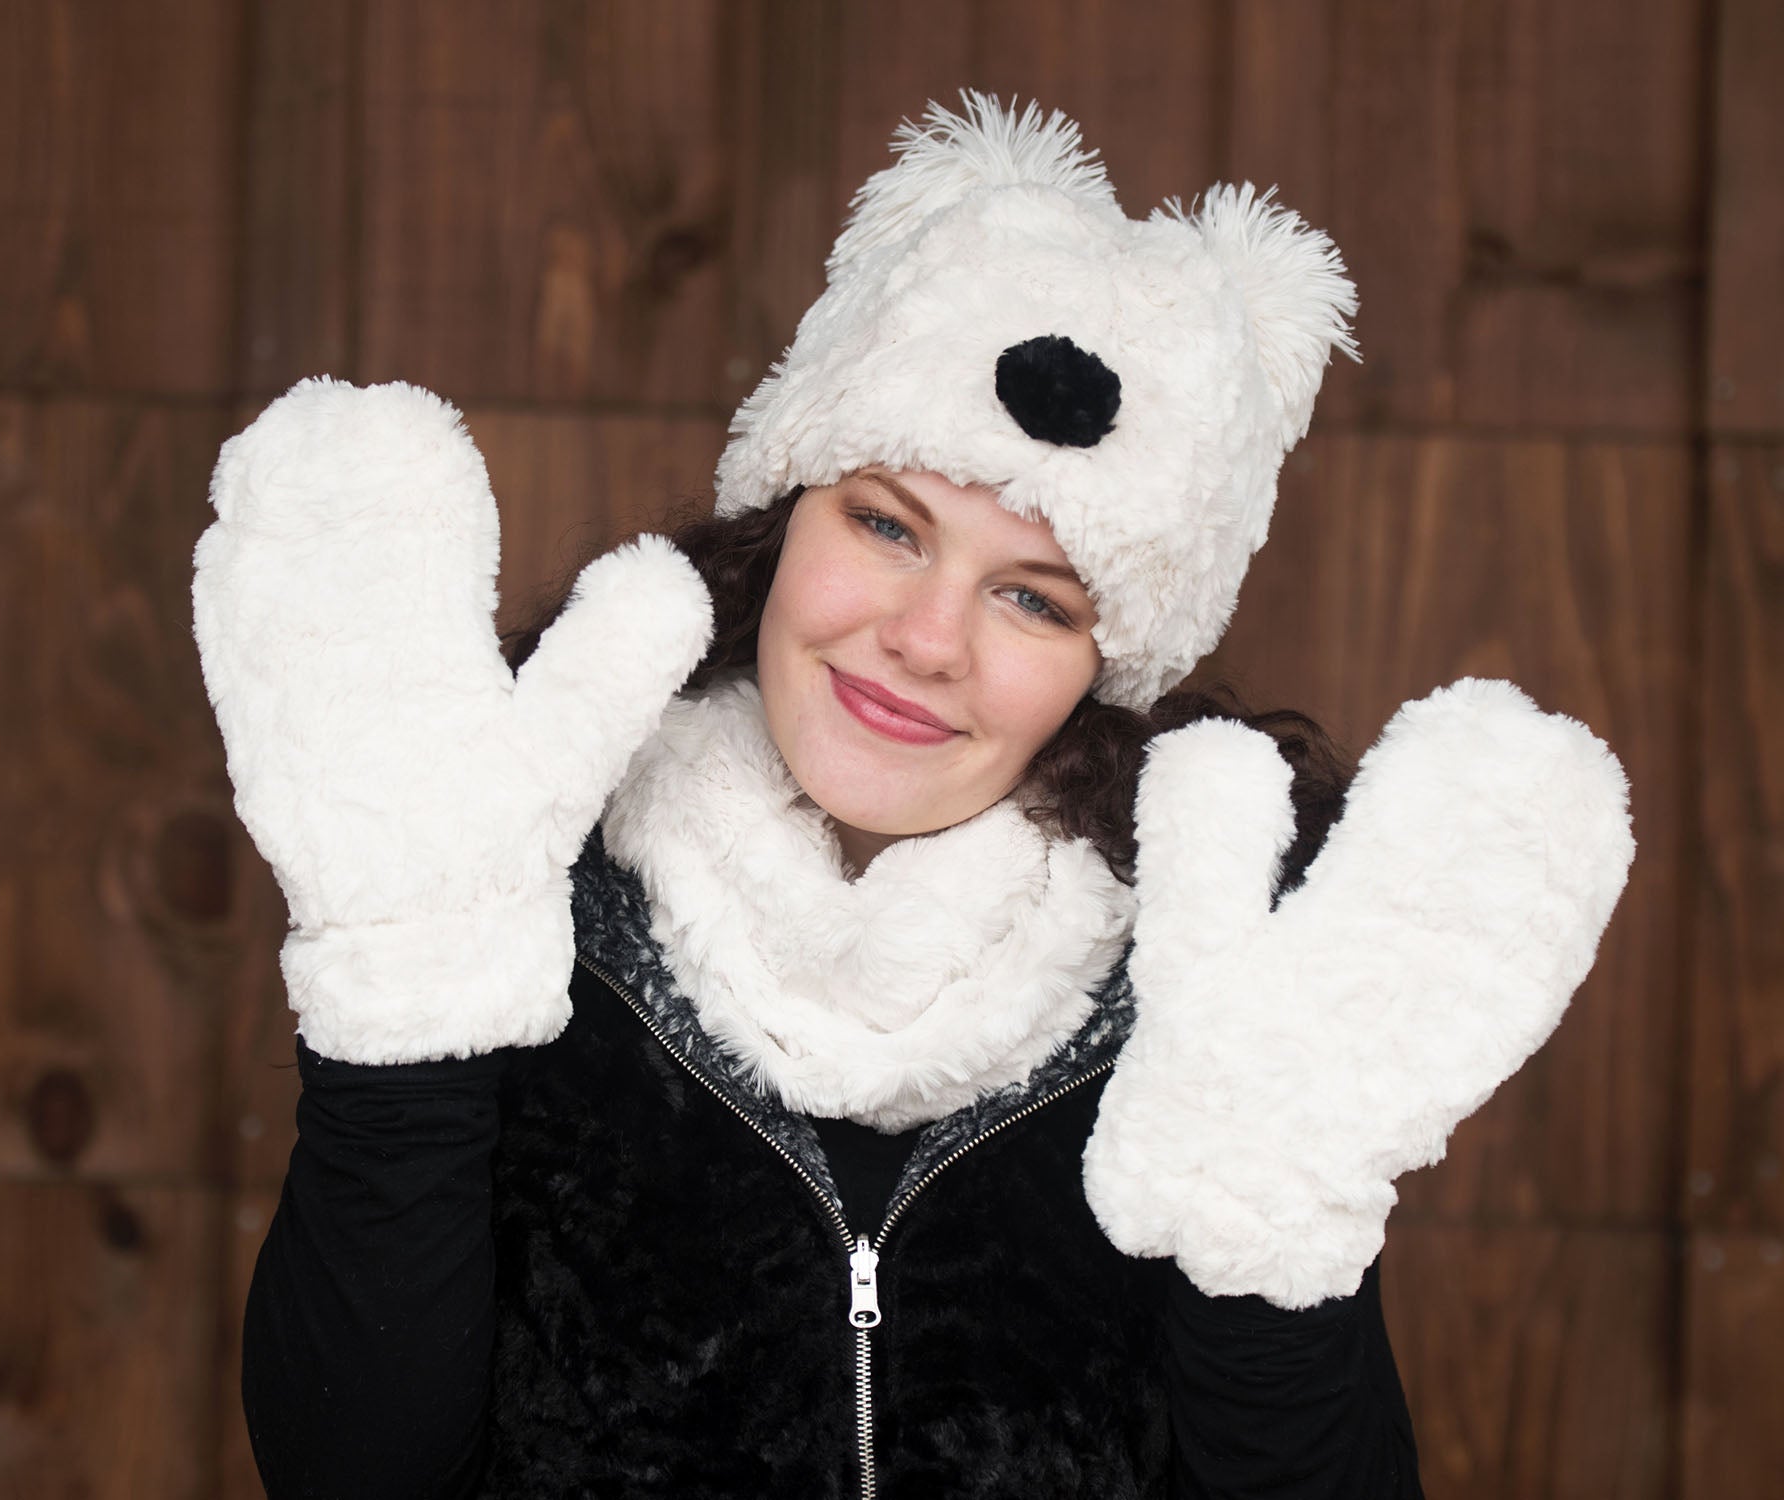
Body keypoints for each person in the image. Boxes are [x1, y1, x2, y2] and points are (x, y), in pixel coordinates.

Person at [196, 96, 1635, 1499]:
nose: (926, 640)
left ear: (1103, 668)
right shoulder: (509, 876)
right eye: (887, 524)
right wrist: (405, 993)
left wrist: (1269, 1224)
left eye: (1032, 597)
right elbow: (349, 1470)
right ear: (783, 512)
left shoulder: (1215, 1005)